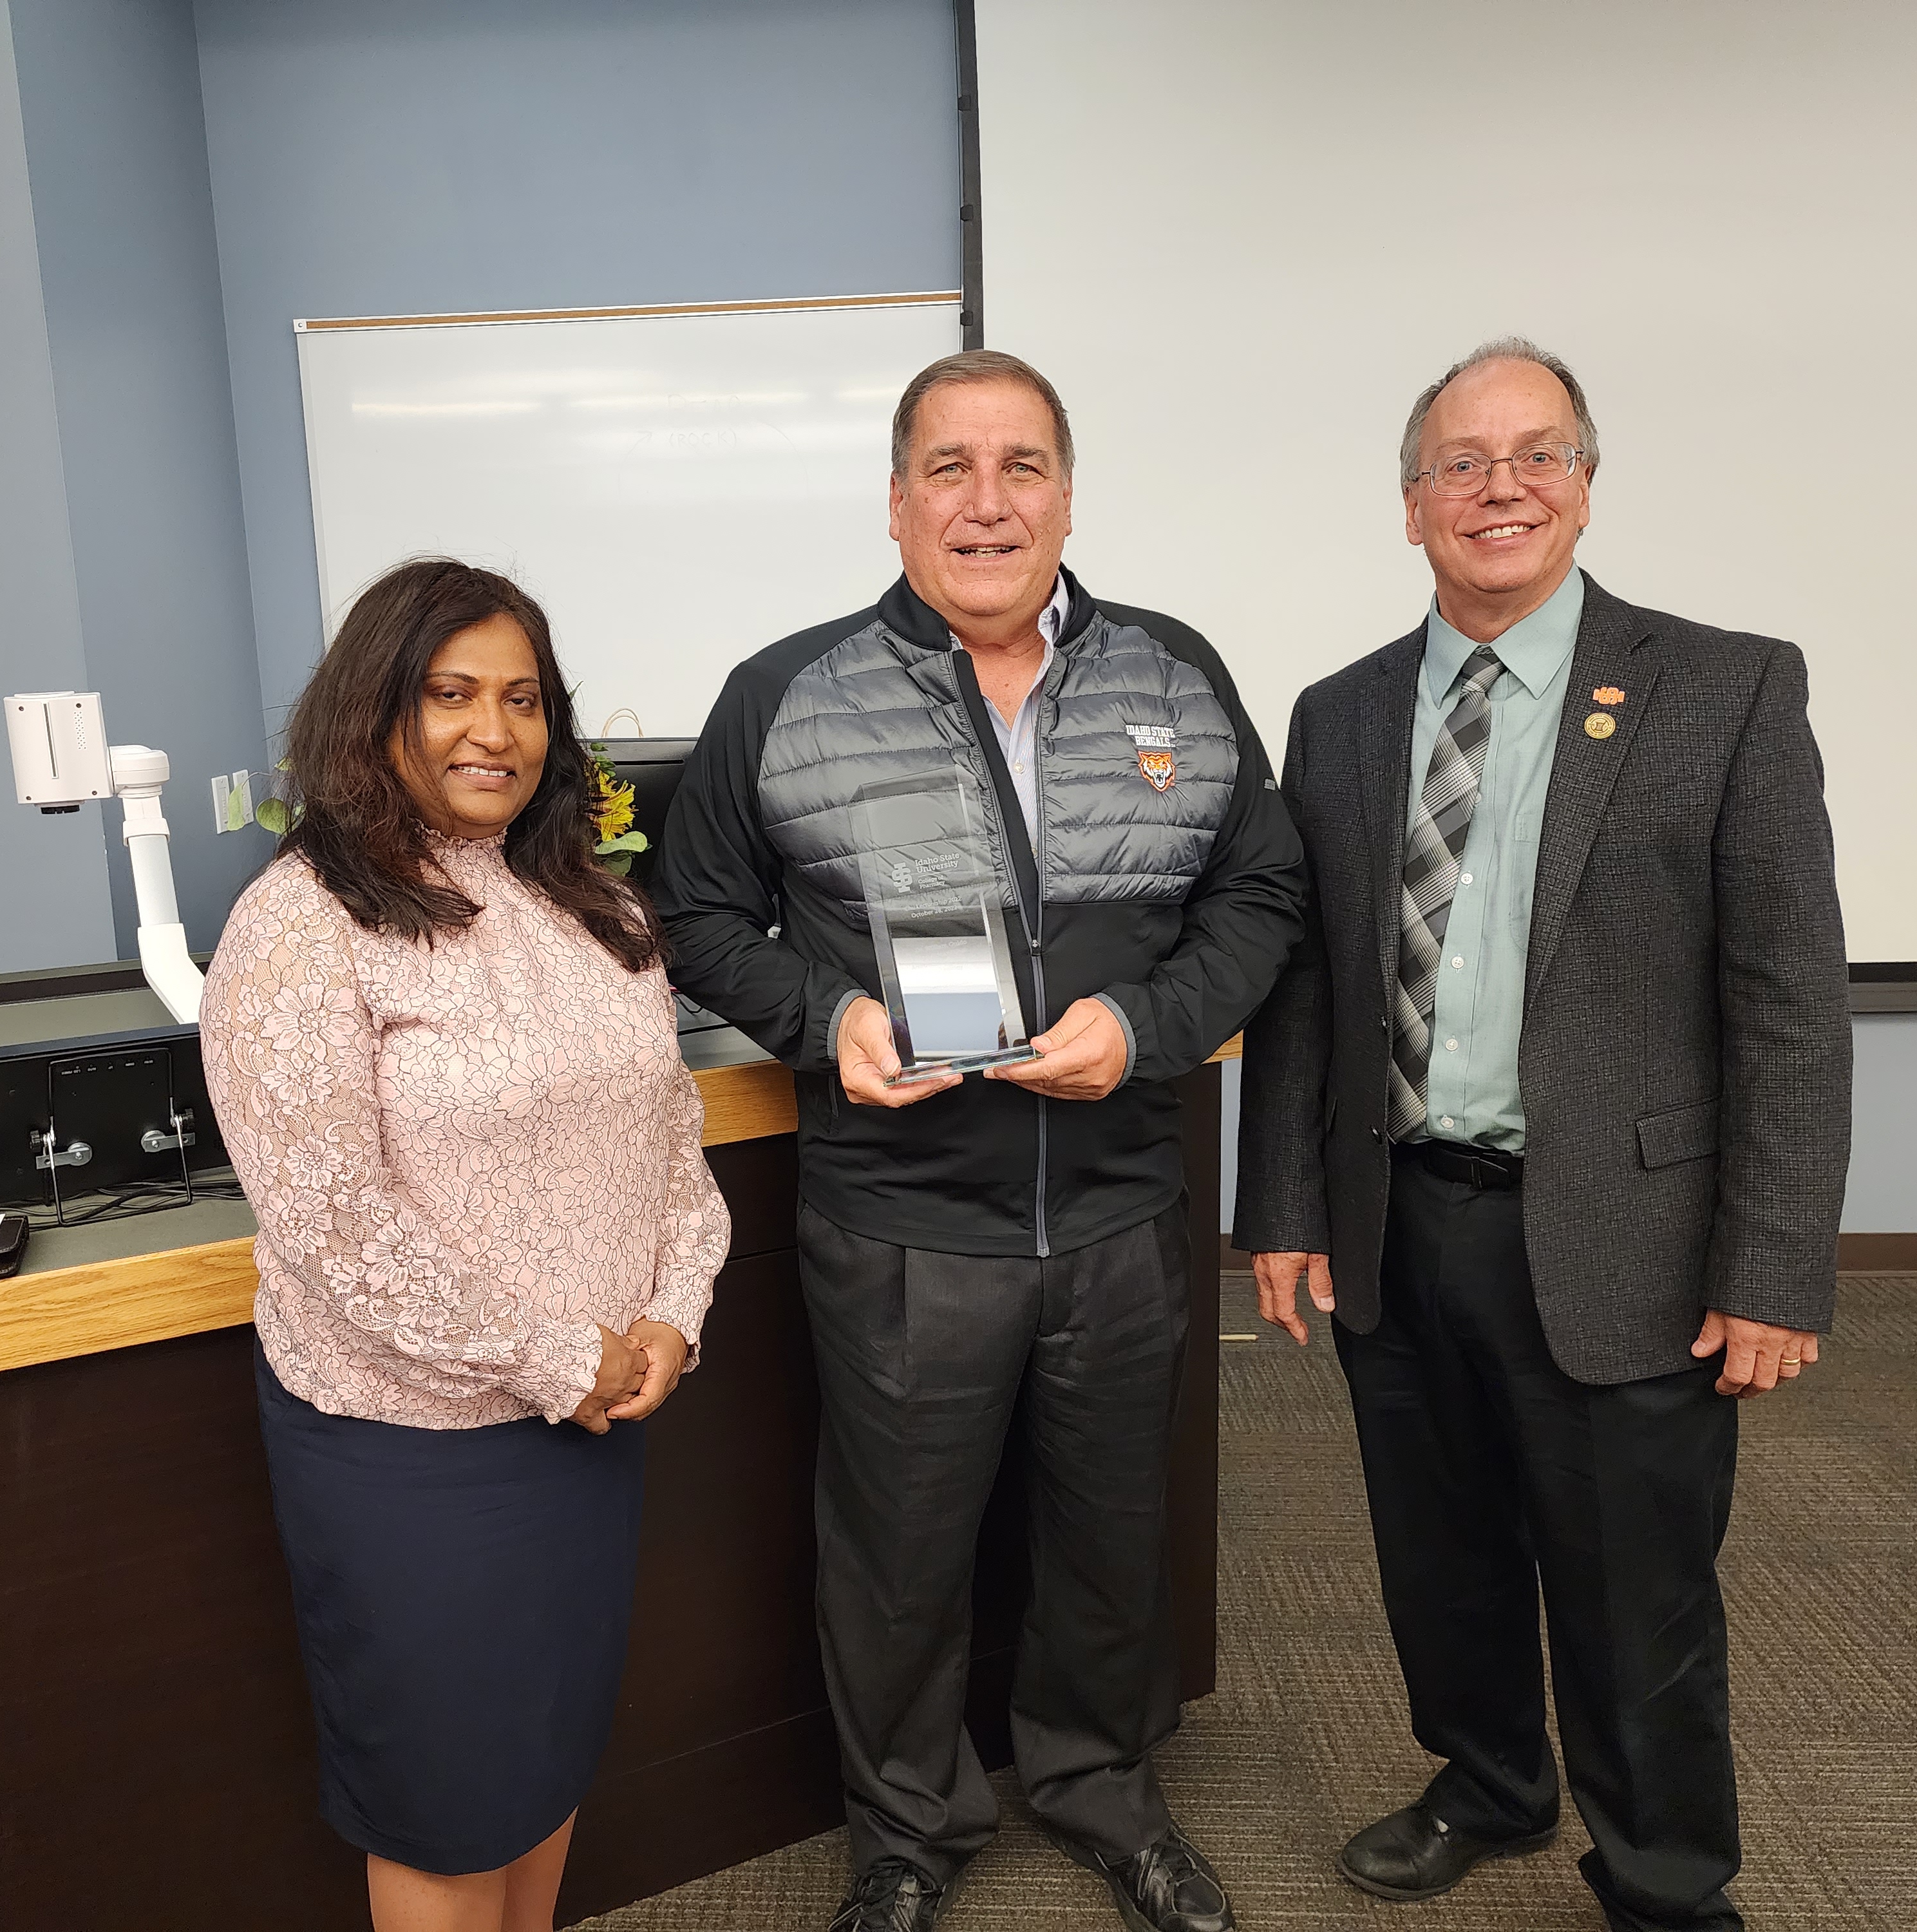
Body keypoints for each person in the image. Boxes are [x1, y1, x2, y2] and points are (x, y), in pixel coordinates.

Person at [655, 350, 1307, 1932]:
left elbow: (1260, 894)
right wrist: (828, 1020)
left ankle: (1095, 1784)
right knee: (895, 1548)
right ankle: (905, 1829)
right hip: (896, 1222)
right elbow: (695, 915)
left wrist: (1146, 1029)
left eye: (1020, 465)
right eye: (948, 467)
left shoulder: (1174, 674)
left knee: (1108, 1532)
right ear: (894, 503)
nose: (985, 500)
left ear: (1067, 497)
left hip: (1117, 1215)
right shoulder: (783, 694)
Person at [1238, 339, 1850, 1931]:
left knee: (1633, 1596)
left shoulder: (1721, 687)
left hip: (1620, 1239)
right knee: (1437, 1562)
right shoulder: (1343, 714)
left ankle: (1662, 1882)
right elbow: (1306, 989)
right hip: (1397, 1220)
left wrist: (1774, 1267)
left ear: (1583, 484)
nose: (1495, 486)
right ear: (1408, 503)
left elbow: (1786, 1001)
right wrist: (1281, 1209)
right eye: (1459, 461)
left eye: (1534, 454)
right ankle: (1489, 1784)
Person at [201, 558, 730, 1932]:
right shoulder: (300, 925)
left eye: (521, 698)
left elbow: (671, 1140)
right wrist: (566, 1355)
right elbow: (332, 1226)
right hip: (410, 1451)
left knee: (540, 1767)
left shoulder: (591, 905)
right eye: (449, 694)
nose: (492, 730)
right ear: (373, 709)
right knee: (445, 1805)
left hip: (594, 1424)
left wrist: (674, 1310)